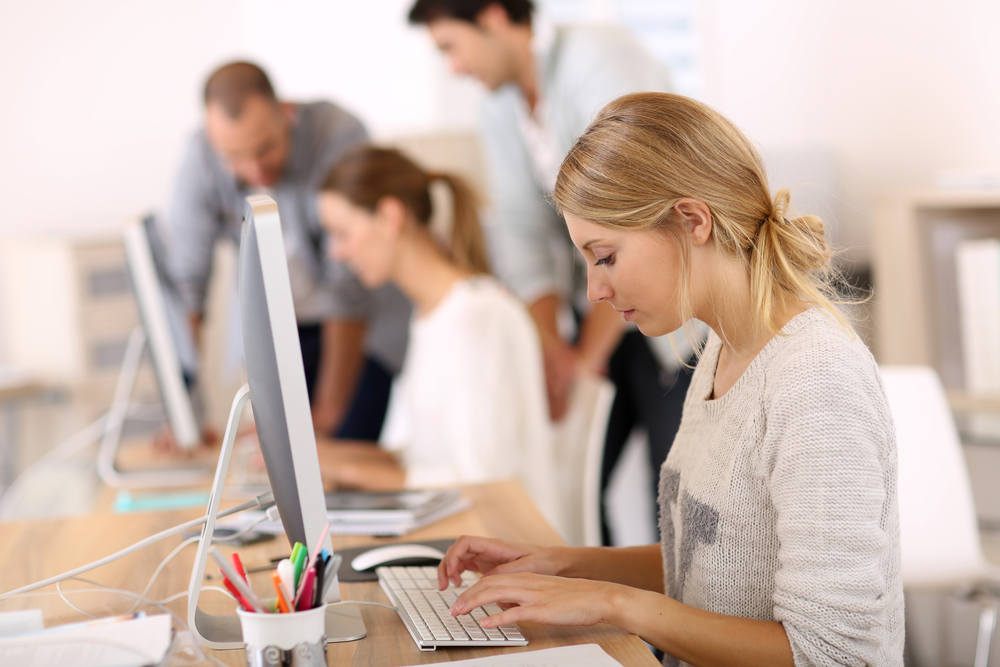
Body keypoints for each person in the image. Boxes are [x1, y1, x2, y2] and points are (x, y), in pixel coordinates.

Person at [434, 93, 904, 666]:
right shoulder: (722, 350)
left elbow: (832, 652)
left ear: (691, 220)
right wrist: (559, 565)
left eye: (604, 256)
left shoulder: (816, 380)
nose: (593, 291)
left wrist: (611, 603)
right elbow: (710, 557)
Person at [408, 0, 691, 543]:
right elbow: (523, 235)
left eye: (451, 46)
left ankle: (658, 628)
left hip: (670, 317)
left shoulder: (599, 58)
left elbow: (636, 216)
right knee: (572, 489)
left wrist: (584, 356)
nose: (454, 68)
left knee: (679, 508)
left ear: (492, 18)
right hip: (602, 307)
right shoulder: (499, 106)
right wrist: (551, 348)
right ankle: (599, 612)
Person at [314, 146, 561, 530]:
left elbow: (479, 480)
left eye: (342, 233)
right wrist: (324, 457)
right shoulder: (432, 314)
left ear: (389, 217)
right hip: (462, 534)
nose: (336, 252)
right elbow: (422, 458)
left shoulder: (476, 318)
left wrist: (348, 468)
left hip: (510, 545)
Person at [167, 61, 409, 440]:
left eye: (265, 149)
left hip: (361, 325)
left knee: (340, 443)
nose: (254, 170)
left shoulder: (338, 134)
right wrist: (182, 412)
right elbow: (187, 286)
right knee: (282, 454)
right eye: (234, 157)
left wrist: (326, 417)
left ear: (287, 114)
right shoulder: (199, 156)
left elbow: (348, 286)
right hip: (286, 328)